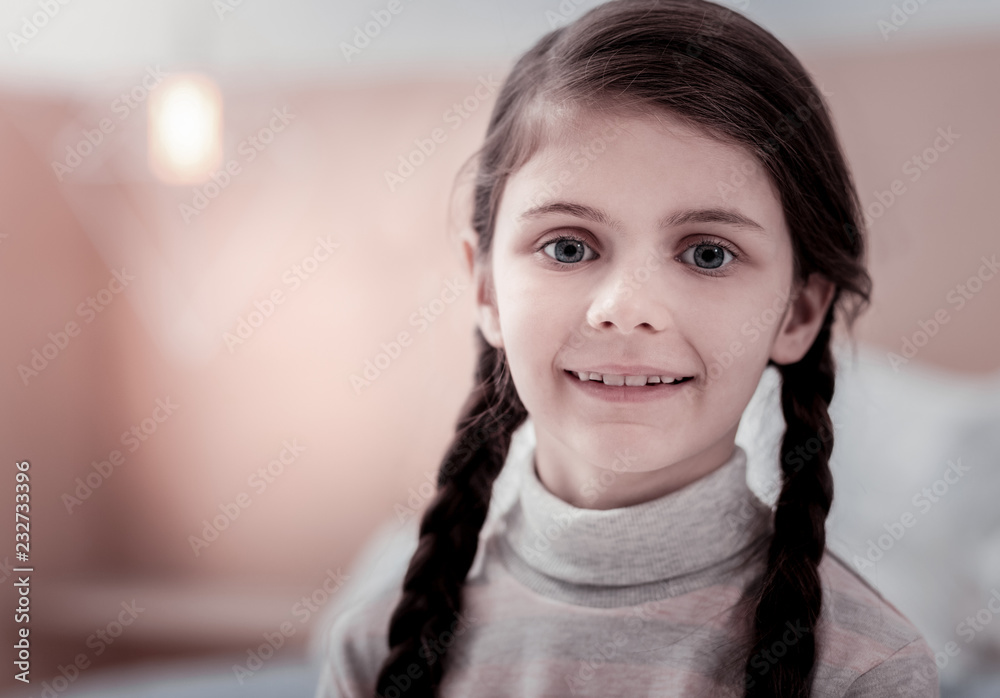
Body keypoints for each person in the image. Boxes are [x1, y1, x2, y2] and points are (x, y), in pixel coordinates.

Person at [313, 0, 940, 695]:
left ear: (798, 311)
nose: (626, 309)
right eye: (569, 246)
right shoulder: (373, 649)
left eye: (707, 254)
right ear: (486, 289)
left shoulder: (867, 669)